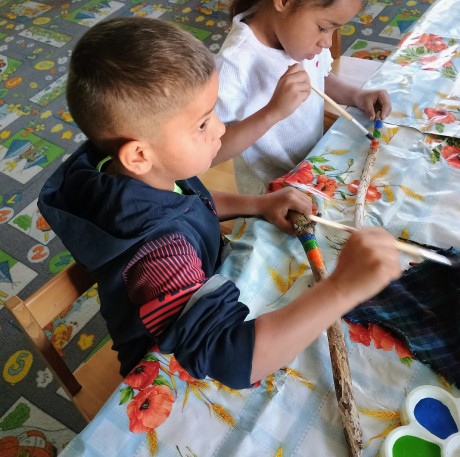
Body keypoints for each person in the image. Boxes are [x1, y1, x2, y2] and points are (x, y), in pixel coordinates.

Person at [38, 17, 401, 390]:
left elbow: (186, 203)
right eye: (202, 124)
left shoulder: (134, 172)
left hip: (204, 287)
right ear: (139, 155)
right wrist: (341, 288)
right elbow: (233, 358)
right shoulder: (159, 255)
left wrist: (257, 204)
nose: (221, 128)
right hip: (168, 365)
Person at [214, 0, 392, 194]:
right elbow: (213, 150)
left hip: (313, 166)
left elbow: (320, 78)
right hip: (272, 192)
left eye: (335, 29)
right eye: (323, 28)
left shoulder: (302, 40)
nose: (328, 42)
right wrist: (272, 112)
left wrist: (357, 96)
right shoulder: (232, 64)